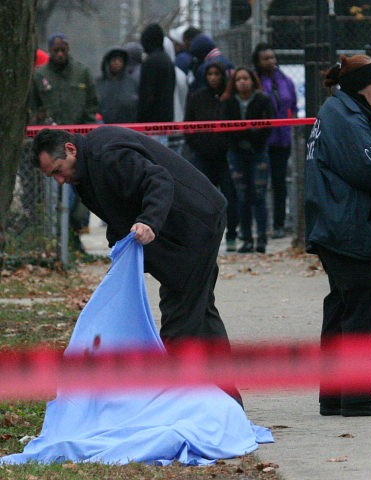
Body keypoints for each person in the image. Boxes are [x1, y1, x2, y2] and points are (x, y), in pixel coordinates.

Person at [29, 125, 242, 406]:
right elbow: (117, 207)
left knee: (180, 315)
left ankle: (176, 404)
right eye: (51, 176)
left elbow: (158, 180)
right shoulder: (85, 169)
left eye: (58, 170)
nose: (59, 180)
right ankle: (226, 402)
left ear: (70, 149)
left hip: (194, 224)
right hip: (185, 228)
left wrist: (149, 220)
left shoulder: (107, 156)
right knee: (201, 311)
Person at [305, 54, 371, 417]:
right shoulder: (343, 115)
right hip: (347, 226)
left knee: (341, 307)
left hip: (335, 223)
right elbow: (368, 168)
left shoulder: (337, 111)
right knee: (362, 310)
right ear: (361, 85)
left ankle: (334, 393)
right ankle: (357, 395)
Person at [30, 32, 99, 253]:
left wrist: (87, 130)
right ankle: (57, 240)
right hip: (50, 147)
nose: (60, 54)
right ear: (50, 51)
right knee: (55, 194)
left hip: (77, 142)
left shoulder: (82, 72)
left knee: (80, 194)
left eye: (63, 50)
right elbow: (33, 107)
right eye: (56, 50)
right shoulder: (40, 76)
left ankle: (76, 235)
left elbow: (92, 104)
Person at [184, 61, 239, 252]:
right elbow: (188, 126)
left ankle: (232, 234)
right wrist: (197, 145)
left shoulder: (229, 98)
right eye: (210, 74)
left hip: (225, 157)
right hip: (203, 156)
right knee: (202, 198)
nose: (213, 78)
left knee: (230, 196)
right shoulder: (197, 98)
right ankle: (204, 237)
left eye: (217, 74)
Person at [221, 68, 273, 254]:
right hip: (236, 154)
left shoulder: (263, 100)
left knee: (259, 196)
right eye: (238, 79)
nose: (242, 82)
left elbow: (268, 128)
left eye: (246, 78)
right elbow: (227, 129)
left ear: (253, 80)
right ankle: (247, 239)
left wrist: (248, 134)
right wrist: (247, 132)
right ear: (234, 83)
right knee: (242, 197)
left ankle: (261, 239)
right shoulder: (228, 102)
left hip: (258, 152)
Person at [252, 43, 298, 239]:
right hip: (261, 141)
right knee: (259, 184)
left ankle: (279, 223)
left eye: (272, 57)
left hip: (282, 140)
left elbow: (292, 105)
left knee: (280, 183)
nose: (271, 61)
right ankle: (259, 225)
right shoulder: (254, 82)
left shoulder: (285, 81)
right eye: (266, 58)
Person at [138, 23, 176, 147]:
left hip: (150, 124)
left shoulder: (150, 62)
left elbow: (147, 96)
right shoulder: (167, 61)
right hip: (165, 122)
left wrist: (140, 120)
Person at [96, 47, 138, 124]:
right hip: (103, 127)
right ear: (108, 63)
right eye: (114, 60)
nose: (117, 63)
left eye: (120, 61)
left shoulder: (132, 83)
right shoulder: (98, 83)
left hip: (128, 127)